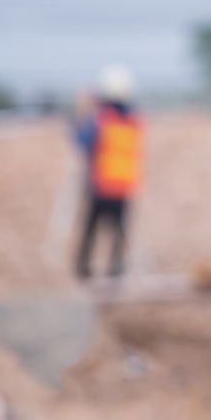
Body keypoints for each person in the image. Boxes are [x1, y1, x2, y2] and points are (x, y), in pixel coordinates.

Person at [73, 63, 143, 280]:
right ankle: (115, 268)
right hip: (124, 184)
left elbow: (83, 142)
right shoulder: (134, 119)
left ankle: (83, 268)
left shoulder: (101, 118)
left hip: (101, 185)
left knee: (91, 228)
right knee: (119, 232)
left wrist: (80, 115)